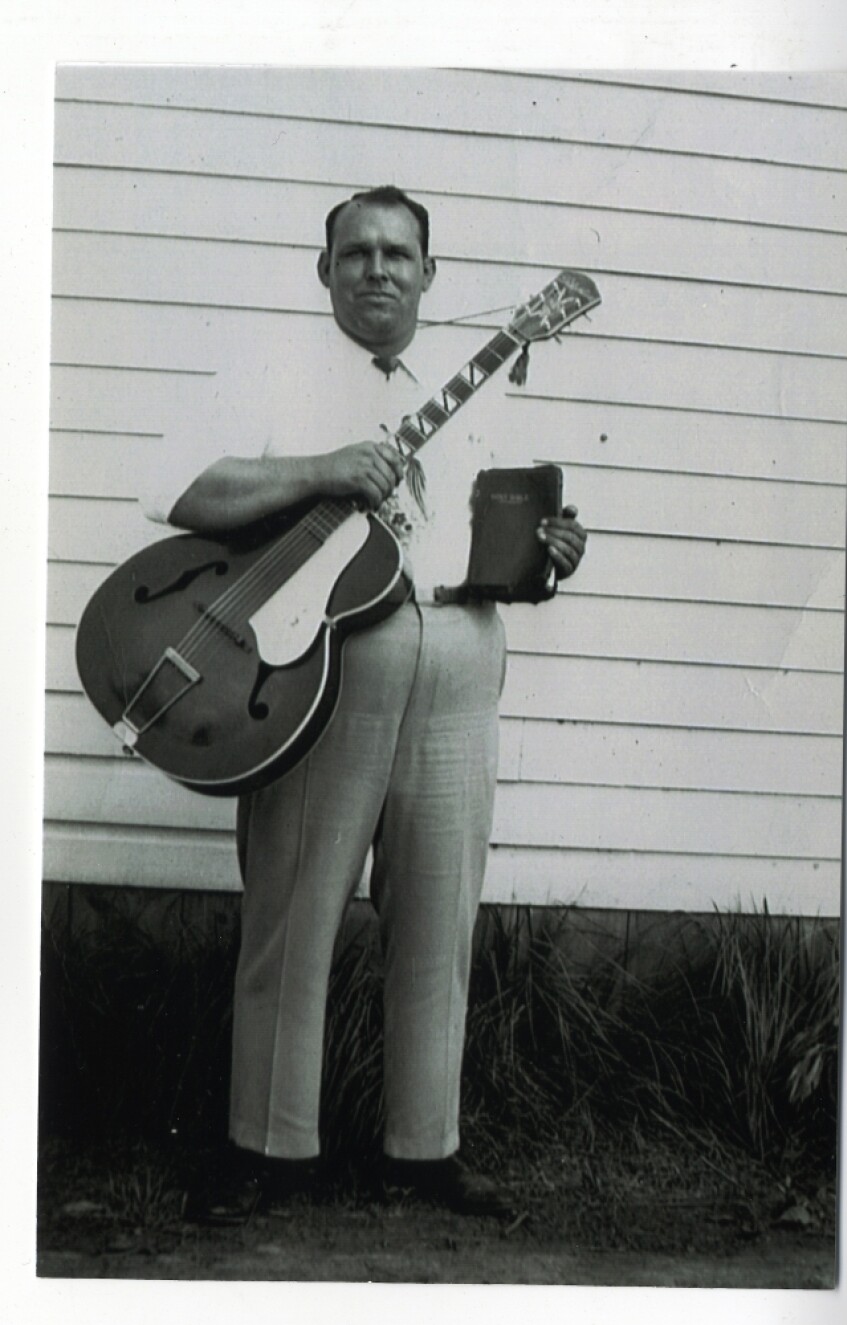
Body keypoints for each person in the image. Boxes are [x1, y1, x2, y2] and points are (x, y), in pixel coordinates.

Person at [143, 186, 587, 1219]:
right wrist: (321, 468)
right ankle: (268, 1149)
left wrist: (552, 556)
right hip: (328, 660)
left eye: (398, 254)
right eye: (356, 253)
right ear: (324, 270)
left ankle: (422, 1151)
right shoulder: (270, 370)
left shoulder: (475, 385)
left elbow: (495, 530)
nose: (378, 269)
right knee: (295, 905)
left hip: (464, 649)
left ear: (431, 275)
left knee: (439, 913)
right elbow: (177, 490)